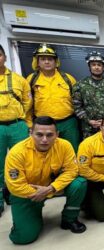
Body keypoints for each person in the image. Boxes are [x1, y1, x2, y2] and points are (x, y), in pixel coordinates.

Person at [5, 116, 87, 245]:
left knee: (79, 183)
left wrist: (51, 188)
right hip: (27, 193)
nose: (44, 140)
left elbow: (72, 170)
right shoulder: (17, 152)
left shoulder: (64, 145)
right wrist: (41, 193)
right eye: (39, 134)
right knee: (23, 238)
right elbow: (15, 186)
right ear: (30, 133)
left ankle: (69, 219)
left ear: (57, 134)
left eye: (49, 135)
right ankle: (29, 217)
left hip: (51, 187)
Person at [27, 43, 79, 152]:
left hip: (68, 123)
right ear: (37, 62)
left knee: (71, 151)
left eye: (50, 59)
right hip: (42, 124)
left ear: (56, 61)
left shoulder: (68, 79)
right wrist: (30, 124)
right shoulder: (31, 79)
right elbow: (28, 104)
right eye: (43, 59)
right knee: (45, 151)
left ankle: (72, 169)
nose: (47, 62)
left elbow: (78, 101)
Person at [0, 44, 32, 216]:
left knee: (23, 162)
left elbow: (28, 102)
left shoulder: (19, 80)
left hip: (18, 125)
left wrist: (25, 122)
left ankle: (20, 195)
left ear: (4, 57)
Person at [73, 51, 104, 139]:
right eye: (93, 65)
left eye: (99, 65)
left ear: (103, 68)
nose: (96, 67)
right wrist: (88, 120)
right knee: (88, 151)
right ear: (90, 67)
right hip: (88, 128)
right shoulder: (80, 85)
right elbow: (77, 106)